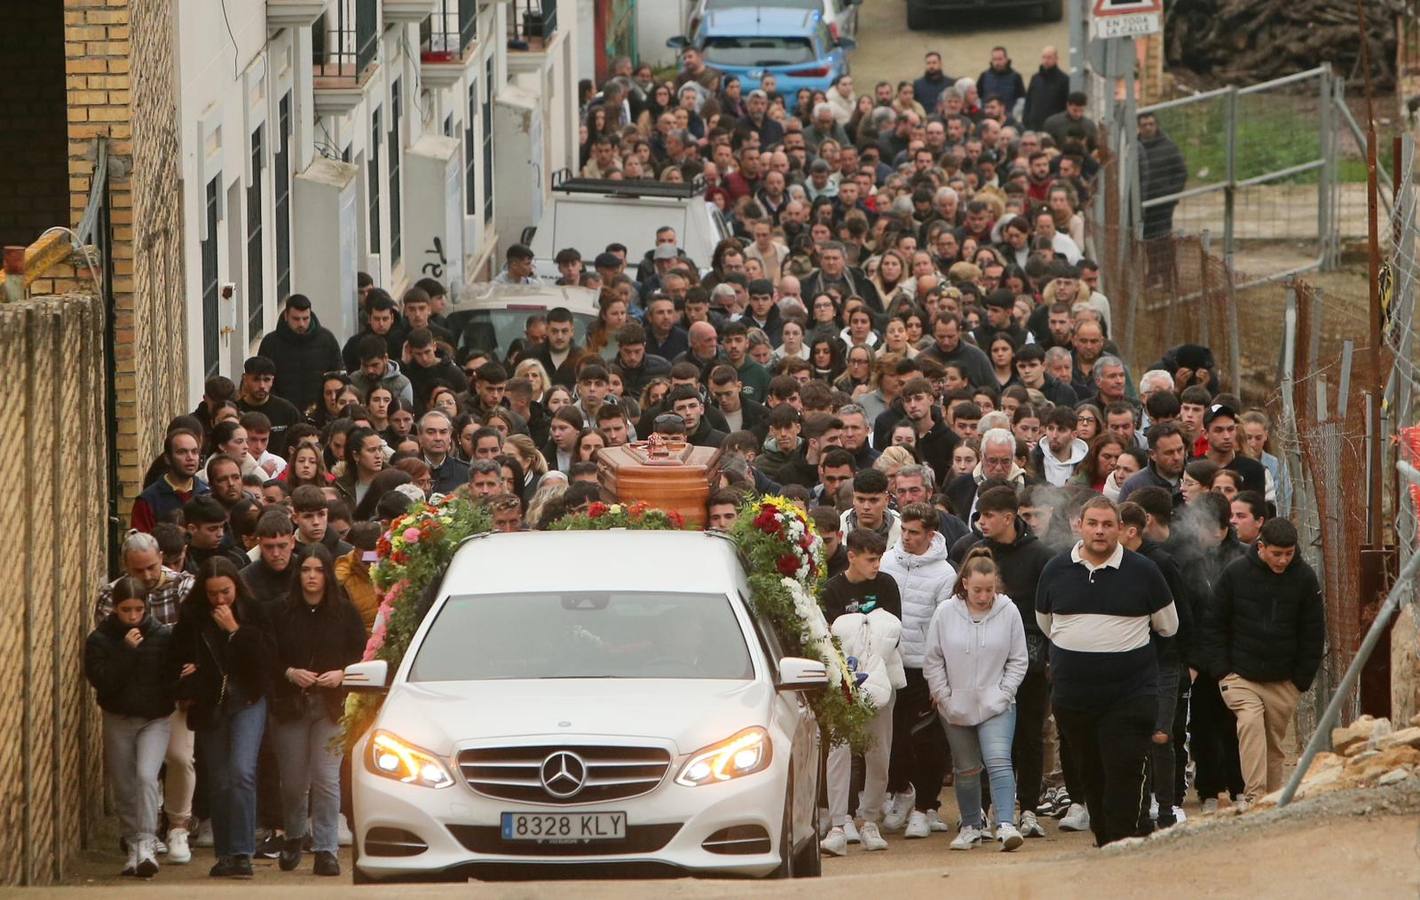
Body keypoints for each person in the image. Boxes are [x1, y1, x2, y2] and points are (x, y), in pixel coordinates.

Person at [1036, 497, 1178, 846]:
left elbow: (1168, 627)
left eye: (1107, 524)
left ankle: (1123, 842)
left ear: (1121, 529)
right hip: (1074, 698)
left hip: (1129, 696)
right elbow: (1046, 623)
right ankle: (1105, 842)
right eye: (1093, 523)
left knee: (1124, 770)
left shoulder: (1144, 571)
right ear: (1079, 525)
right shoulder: (1055, 569)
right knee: (1090, 774)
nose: (1100, 531)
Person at [948, 486, 1055, 839]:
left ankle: (1027, 810)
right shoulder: (969, 550)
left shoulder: (1039, 555)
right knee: (981, 738)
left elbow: (1049, 610)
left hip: (1029, 659)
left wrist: (1047, 654)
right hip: (979, 660)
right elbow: (954, 602)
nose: (981, 522)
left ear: (1009, 518)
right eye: (979, 515)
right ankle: (980, 809)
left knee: (1028, 736)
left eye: (988, 515)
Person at [1198, 518, 1324, 807]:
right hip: (1241, 676)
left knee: (1273, 745)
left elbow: (1313, 631)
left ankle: (1272, 801)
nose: (1282, 560)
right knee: (1250, 725)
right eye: (1276, 553)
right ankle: (1254, 797)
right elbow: (1214, 623)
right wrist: (1223, 672)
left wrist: (1299, 681)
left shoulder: (1304, 579)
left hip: (1283, 680)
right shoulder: (1235, 574)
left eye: (1288, 554)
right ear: (1261, 547)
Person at [171, 558, 276, 879]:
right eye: (213, 593)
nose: (220, 600)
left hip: (247, 699)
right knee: (219, 778)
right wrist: (188, 675)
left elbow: (265, 660)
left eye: (226, 592)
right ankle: (226, 853)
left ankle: (243, 852)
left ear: (237, 587)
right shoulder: (192, 617)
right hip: (211, 703)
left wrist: (235, 631)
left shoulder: (255, 612)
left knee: (242, 771)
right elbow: (177, 658)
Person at [923, 547, 1028, 851]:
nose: (984, 597)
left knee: (998, 760)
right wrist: (944, 696)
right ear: (965, 583)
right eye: (978, 590)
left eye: (990, 590)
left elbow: (1018, 659)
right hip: (955, 705)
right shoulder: (945, 612)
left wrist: (1005, 692)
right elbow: (933, 659)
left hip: (997, 703)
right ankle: (971, 825)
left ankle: (1006, 823)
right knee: (966, 768)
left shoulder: (1008, 611)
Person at [268, 546, 365, 876]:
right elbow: (268, 655)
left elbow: (361, 653)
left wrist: (342, 673)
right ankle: (295, 835)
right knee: (294, 781)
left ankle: (326, 848)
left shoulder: (345, 612)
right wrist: (290, 673)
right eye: (306, 569)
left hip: (331, 705)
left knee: (326, 779)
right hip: (290, 705)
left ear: (327, 573)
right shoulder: (280, 611)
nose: (311, 576)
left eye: (318, 570)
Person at [819, 528, 903, 856]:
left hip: (881, 679)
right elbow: (830, 638)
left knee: (879, 752)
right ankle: (839, 823)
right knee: (839, 751)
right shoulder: (832, 590)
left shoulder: (886, 584)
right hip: (844, 681)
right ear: (851, 555)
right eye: (870, 559)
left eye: (880, 558)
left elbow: (892, 631)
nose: (876, 565)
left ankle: (869, 820)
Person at [85, 576, 176, 878]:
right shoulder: (100, 639)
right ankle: (133, 843)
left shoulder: (162, 636)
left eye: (138, 609)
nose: (133, 616)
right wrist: (125, 651)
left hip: (155, 719)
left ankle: (148, 842)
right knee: (124, 785)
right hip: (118, 718)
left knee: (146, 777)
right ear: (116, 609)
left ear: (146, 606)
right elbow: (102, 681)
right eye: (126, 610)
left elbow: (171, 675)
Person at [880, 503, 958, 838]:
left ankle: (926, 807)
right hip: (889, 666)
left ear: (931, 534)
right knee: (892, 740)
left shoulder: (945, 575)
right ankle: (902, 791)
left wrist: (937, 675)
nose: (907, 538)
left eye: (914, 533)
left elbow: (944, 628)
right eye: (904, 531)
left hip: (924, 670)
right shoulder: (886, 561)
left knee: (928, 742)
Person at [257, 294, 342, 413]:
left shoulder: (327, 340)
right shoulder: (270, 343)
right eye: (296, 319)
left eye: (306, 318)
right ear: (286, 316)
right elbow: (263, 378)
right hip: (282, 411)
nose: (301, 324)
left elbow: (338, 374)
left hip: (320, 412)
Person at [131, 429, 208, 532]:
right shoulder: (148, 501)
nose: (190, 457)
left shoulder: (207, 494)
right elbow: (142, 544)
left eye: (194, 452)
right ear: (167, 458)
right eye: (182, 452)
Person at [1023, 46, 1069, 131]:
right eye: (1044, 57)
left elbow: (1065, 105)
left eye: (1049, 57)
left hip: (1053, 127)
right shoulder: (1035, 78)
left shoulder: (1064, 79)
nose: (1046, 60)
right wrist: (1026, 120)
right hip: (1034, 126)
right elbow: (1028, 101)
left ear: (1056, 59)